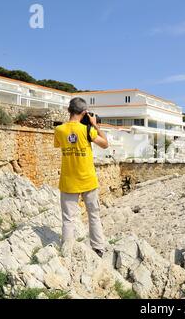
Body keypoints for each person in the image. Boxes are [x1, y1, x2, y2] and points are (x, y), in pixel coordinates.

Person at [54, 97, 109, 258]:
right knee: (93, 215)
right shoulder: (87, 130)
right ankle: (98, 248)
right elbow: (105, 144)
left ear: (68, 110)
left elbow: (59, 145)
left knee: (68, 219)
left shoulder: (59, 130)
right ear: (85, 112)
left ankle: (67, 251)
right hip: (88, 180)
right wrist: (94, 125)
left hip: (68, 181)